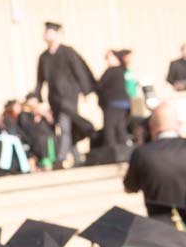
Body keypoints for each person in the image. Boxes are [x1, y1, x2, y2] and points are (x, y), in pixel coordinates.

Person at [123, 102, 186, 223]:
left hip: (162, 231)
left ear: (151, 126)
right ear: (178, 124)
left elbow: (129, 188)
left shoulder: (142, 153)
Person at [35, 22, 96, 166]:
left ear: (56, 34)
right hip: (54, 98)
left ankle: (61, 158)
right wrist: (38, 100)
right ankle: (77, 157)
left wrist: (86, 91)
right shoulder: (44, 57)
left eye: (49, 31)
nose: (46, 34)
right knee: (67, 126)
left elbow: (79, 71)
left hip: (69, 96)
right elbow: (39, 81)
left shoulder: (68, 52)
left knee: (64, 125)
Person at [95, 49, 132, 149]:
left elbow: (99, 85)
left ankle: (111, 149)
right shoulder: (122, 71)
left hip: (113, 103)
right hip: (124, 103)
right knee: (120, 127)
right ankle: (124, 148)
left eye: (109, 58)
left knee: (109, 127)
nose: (108, 61)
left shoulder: (111, 71)